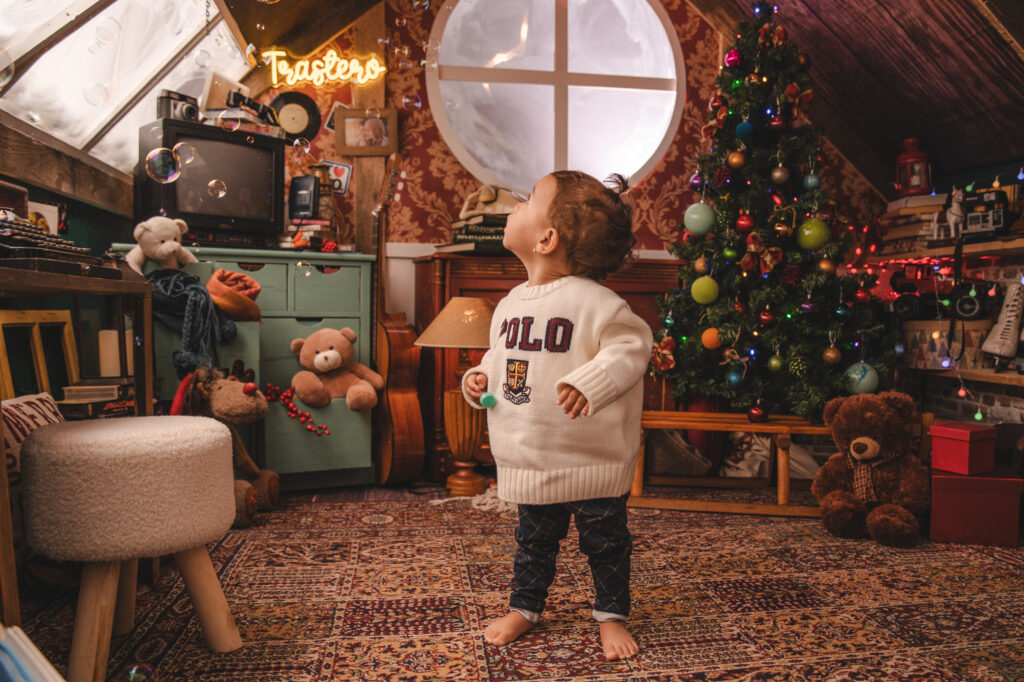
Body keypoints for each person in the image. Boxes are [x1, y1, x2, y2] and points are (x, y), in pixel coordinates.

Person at [461, 170, 653, 661]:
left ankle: (611, 614)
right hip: (533, 455)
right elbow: (503, 360)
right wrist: (480, 379)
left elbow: (633, 347)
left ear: (547, 239)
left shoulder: (596, 303)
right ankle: (525, 608)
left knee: (606, 545)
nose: (515, 207)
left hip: (591, 458)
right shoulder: (509, 305)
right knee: (533, 544)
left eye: (526, 202)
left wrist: (592, 381)